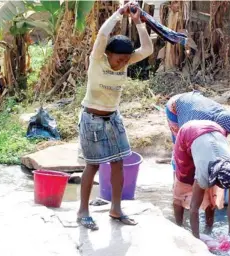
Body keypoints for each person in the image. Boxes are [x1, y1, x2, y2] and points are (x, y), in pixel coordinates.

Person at [77, 3, 153, 230]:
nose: (122, 63)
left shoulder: (126, 61)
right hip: (92, 120)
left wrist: (138, 22)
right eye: (118, 59)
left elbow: (147, 49)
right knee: (92, 166)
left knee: (119, 162)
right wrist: (118, 14)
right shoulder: (97, 60)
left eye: (125, 59)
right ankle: (83, 211)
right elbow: (102, 34)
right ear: (108, 53)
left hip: (114, 119)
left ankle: (116, 209)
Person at [172, 119, 230, 239]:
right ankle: (178, 227)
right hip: (189, 132)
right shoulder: (204, 172)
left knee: (211, 194)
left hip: (215, 130)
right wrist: (196, 241)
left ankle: (209, 228)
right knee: (183, 181)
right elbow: (194, 208)